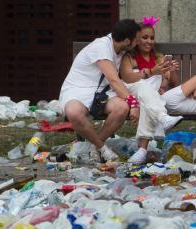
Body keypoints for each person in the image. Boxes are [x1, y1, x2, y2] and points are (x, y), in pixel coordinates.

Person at [59, 19, 141, 163]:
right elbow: (114, 80)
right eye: (136, 40)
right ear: (127, 40)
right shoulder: (101, 47)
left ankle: (94, 146)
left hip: (101, 93)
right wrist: (134, 104)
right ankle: (103, 148)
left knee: (121, 108)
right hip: (77, 90)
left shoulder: (120, 49)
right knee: (74, 112)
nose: (137, 43)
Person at [118, 16, 183, 165]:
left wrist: (171, 71)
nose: (149, 41)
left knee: (147, 102)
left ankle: (142, 151)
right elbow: (127, 77)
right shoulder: (129, 57)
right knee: (144, 87)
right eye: (145, 37)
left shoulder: (159, 57)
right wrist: (152, 73)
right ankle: (162, 116)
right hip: (131, 90)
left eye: (152, 38)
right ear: (136, 39)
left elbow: (174, 83)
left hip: (149, 97)